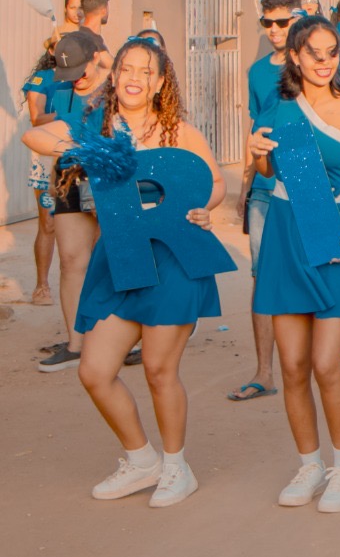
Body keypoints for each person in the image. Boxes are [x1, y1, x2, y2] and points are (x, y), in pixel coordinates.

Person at [24, 39, 225, 506]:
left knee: (158, 369)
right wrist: (84, 145)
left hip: (173, 257)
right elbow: (33, 136)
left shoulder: (178, 130)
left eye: (146, 71)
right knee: (94, 370)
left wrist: (203, 206)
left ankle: (177, 468)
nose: (135, 77)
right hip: (120, 259)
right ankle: (141, 461)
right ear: (114, 75)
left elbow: (215, 180)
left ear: (159, 83)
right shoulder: (98, 123)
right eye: (126, 68)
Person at [248, 16, 340, 513]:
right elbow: (266, 171)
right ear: (295, 56)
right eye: (314, 52)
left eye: (332, 52)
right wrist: (257, 154)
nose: (325, 60)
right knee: (291, 367)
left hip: (333, 232)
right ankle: (309, 464)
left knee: (326, 364)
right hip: (286, 232)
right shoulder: (276, 107)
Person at [229, 0, 297, 402]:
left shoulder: (319, 66)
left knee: (318, 265)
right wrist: (246, 181)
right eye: (267, 22)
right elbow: (256, 132)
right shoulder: (256, 72)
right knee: (260, 276)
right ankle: (264, 371)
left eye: (282, 22)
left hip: (307, 183)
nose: (273, 29)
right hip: (265, 185)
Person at [32, 31, 112, 373]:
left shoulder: (117, 89)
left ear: (96, 57)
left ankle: (122, 339)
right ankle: (76, 343)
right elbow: (50, 134)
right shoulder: (62, 90)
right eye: (68, 74)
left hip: (110, 177)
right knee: (70, 260)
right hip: (69, 177)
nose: (75, 80)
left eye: (80, 70)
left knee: (114, 260)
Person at [21, 37, 62, 308]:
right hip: (47, 159)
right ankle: (42, 286)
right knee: (48, 222)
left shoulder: (84, 79)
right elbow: (36, 118)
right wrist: (69, 114)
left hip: (79, 155)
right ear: (50, 50)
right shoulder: (41, 78)